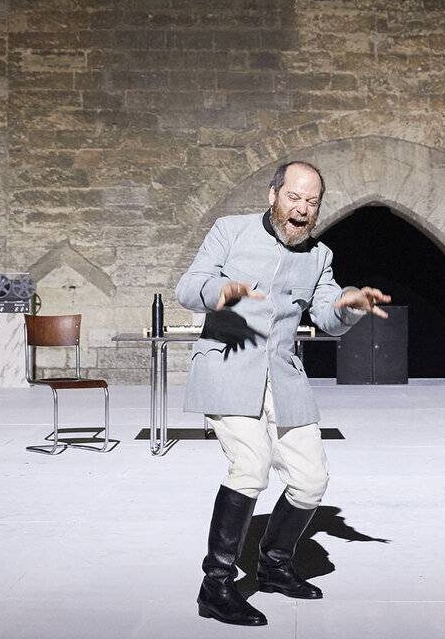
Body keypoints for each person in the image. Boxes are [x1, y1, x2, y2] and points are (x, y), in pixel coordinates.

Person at [175, 161, 390, 626]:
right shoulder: (230, 230)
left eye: (312, 202)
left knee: (311, 480)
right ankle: (215, 586)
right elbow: (187, 287)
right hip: (228, 368)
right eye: (294, 197)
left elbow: (329, 316)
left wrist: (349, 303)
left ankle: (274, 566)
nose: (302, 209)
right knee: (250, 467)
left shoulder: (319, 255)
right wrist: (221, 290)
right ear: (273, 195)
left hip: (284, 376)